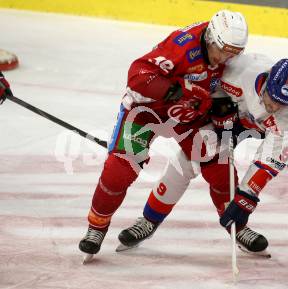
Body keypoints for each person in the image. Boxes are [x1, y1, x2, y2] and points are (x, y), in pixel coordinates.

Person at [122, 54, 288, 261]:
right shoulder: (239, 69)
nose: (274, 106)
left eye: (283, 103)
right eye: (273, 98)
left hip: (284, 132)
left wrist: (245, 198)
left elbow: (268, 160)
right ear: (266, 81)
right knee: (192, 156)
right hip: (238, 115)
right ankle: (148, 221)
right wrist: (216, 105)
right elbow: (203, 79)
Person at [78, 10, 268, 259]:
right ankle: (96, 227)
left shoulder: (225, 54)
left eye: (234, 52)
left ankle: (238, 226)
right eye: (224, 51)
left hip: (189, 113)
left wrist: (221, 104)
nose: (227, 58)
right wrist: (178, 92)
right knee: (119, 171)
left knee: (220, 167)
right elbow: (138, 74)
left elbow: (221, 84)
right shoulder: (182, 47)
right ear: (211, 38)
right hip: (146, 111)